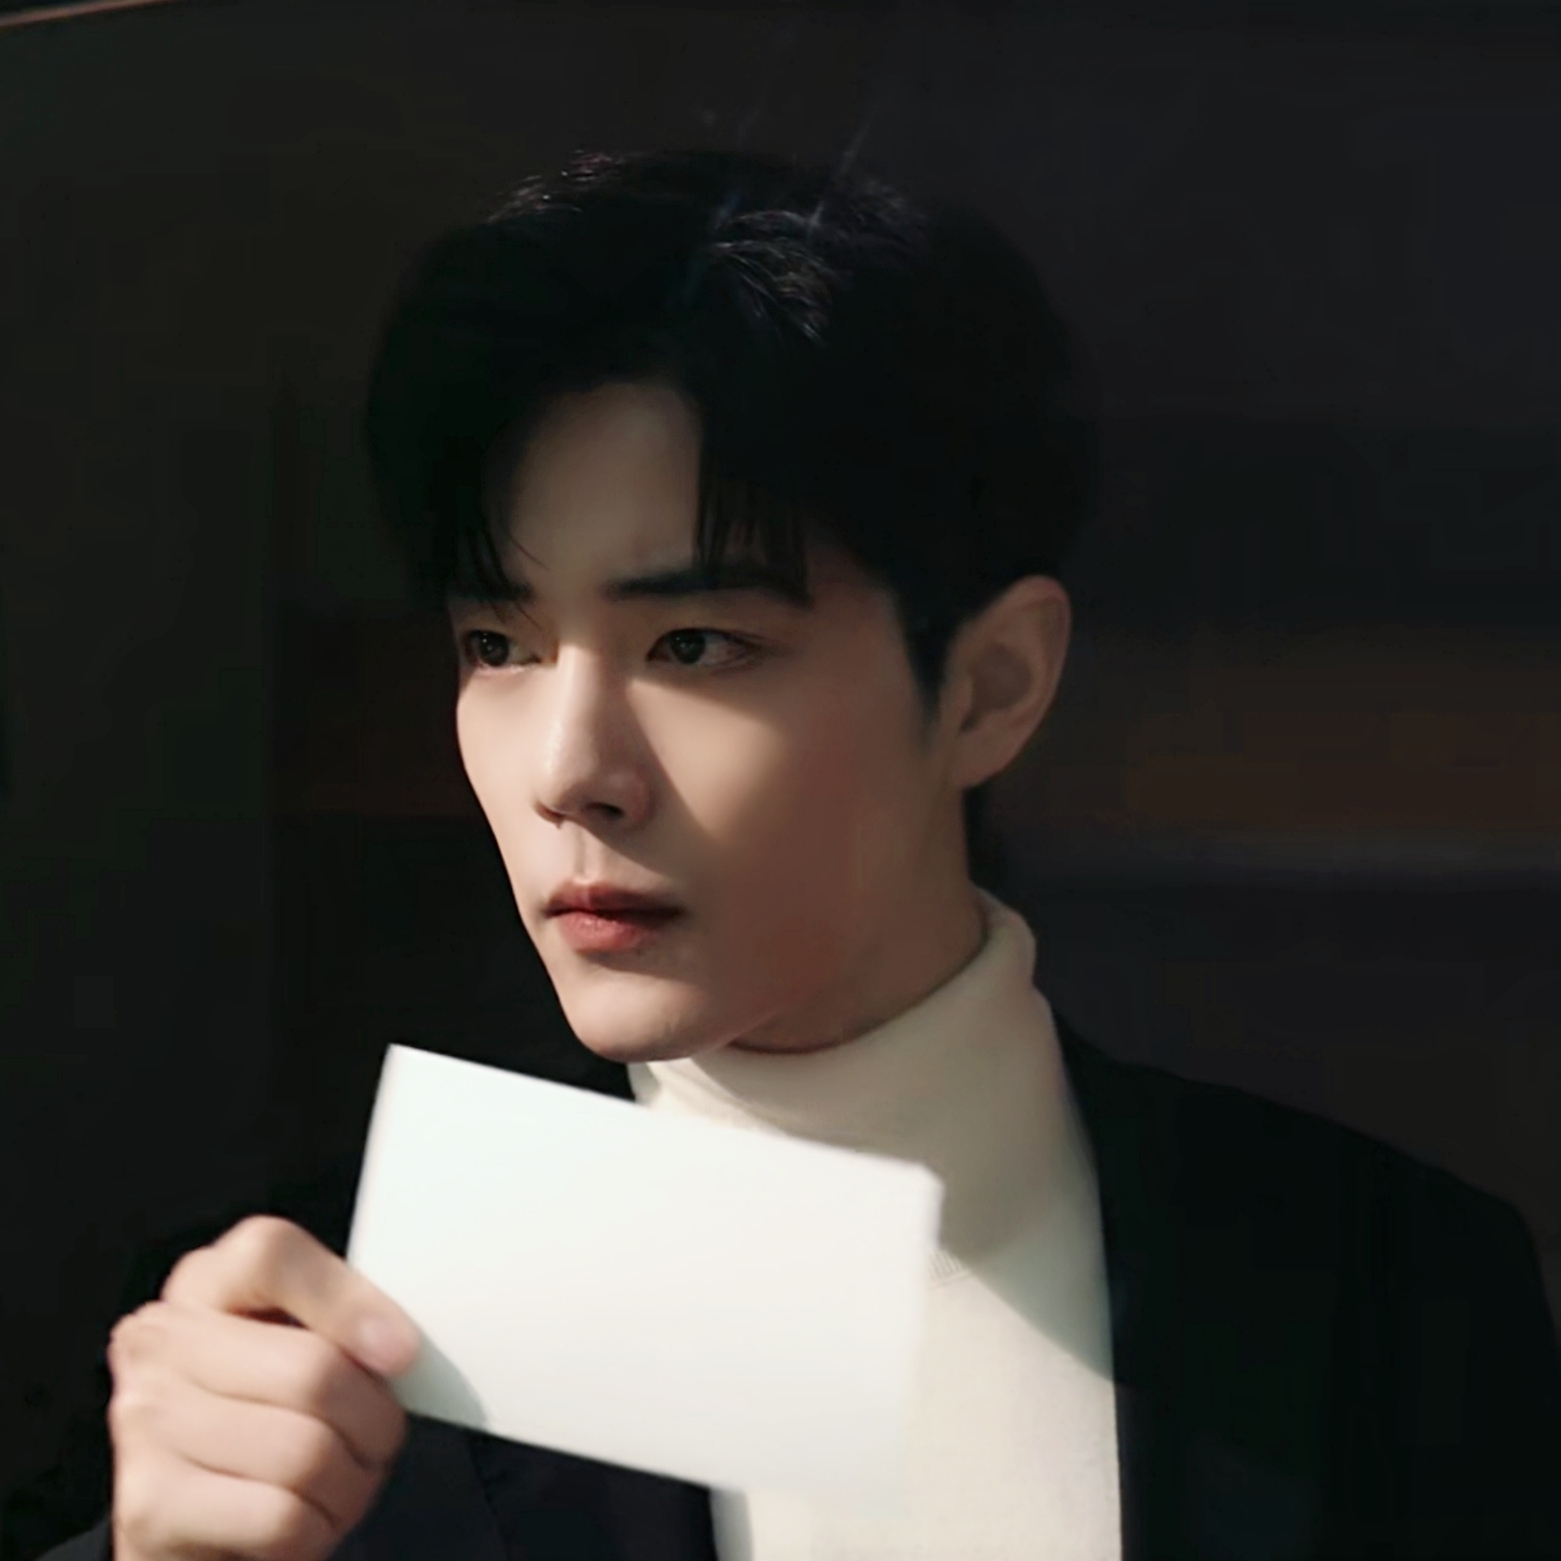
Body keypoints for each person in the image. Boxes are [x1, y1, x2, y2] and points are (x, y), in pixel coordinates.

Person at [30, 150, 1561, 1561]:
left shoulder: (1395, 1292)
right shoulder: (291, 1337)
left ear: (988, 686)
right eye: (500, 644)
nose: (568, 771)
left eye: (693, 643)